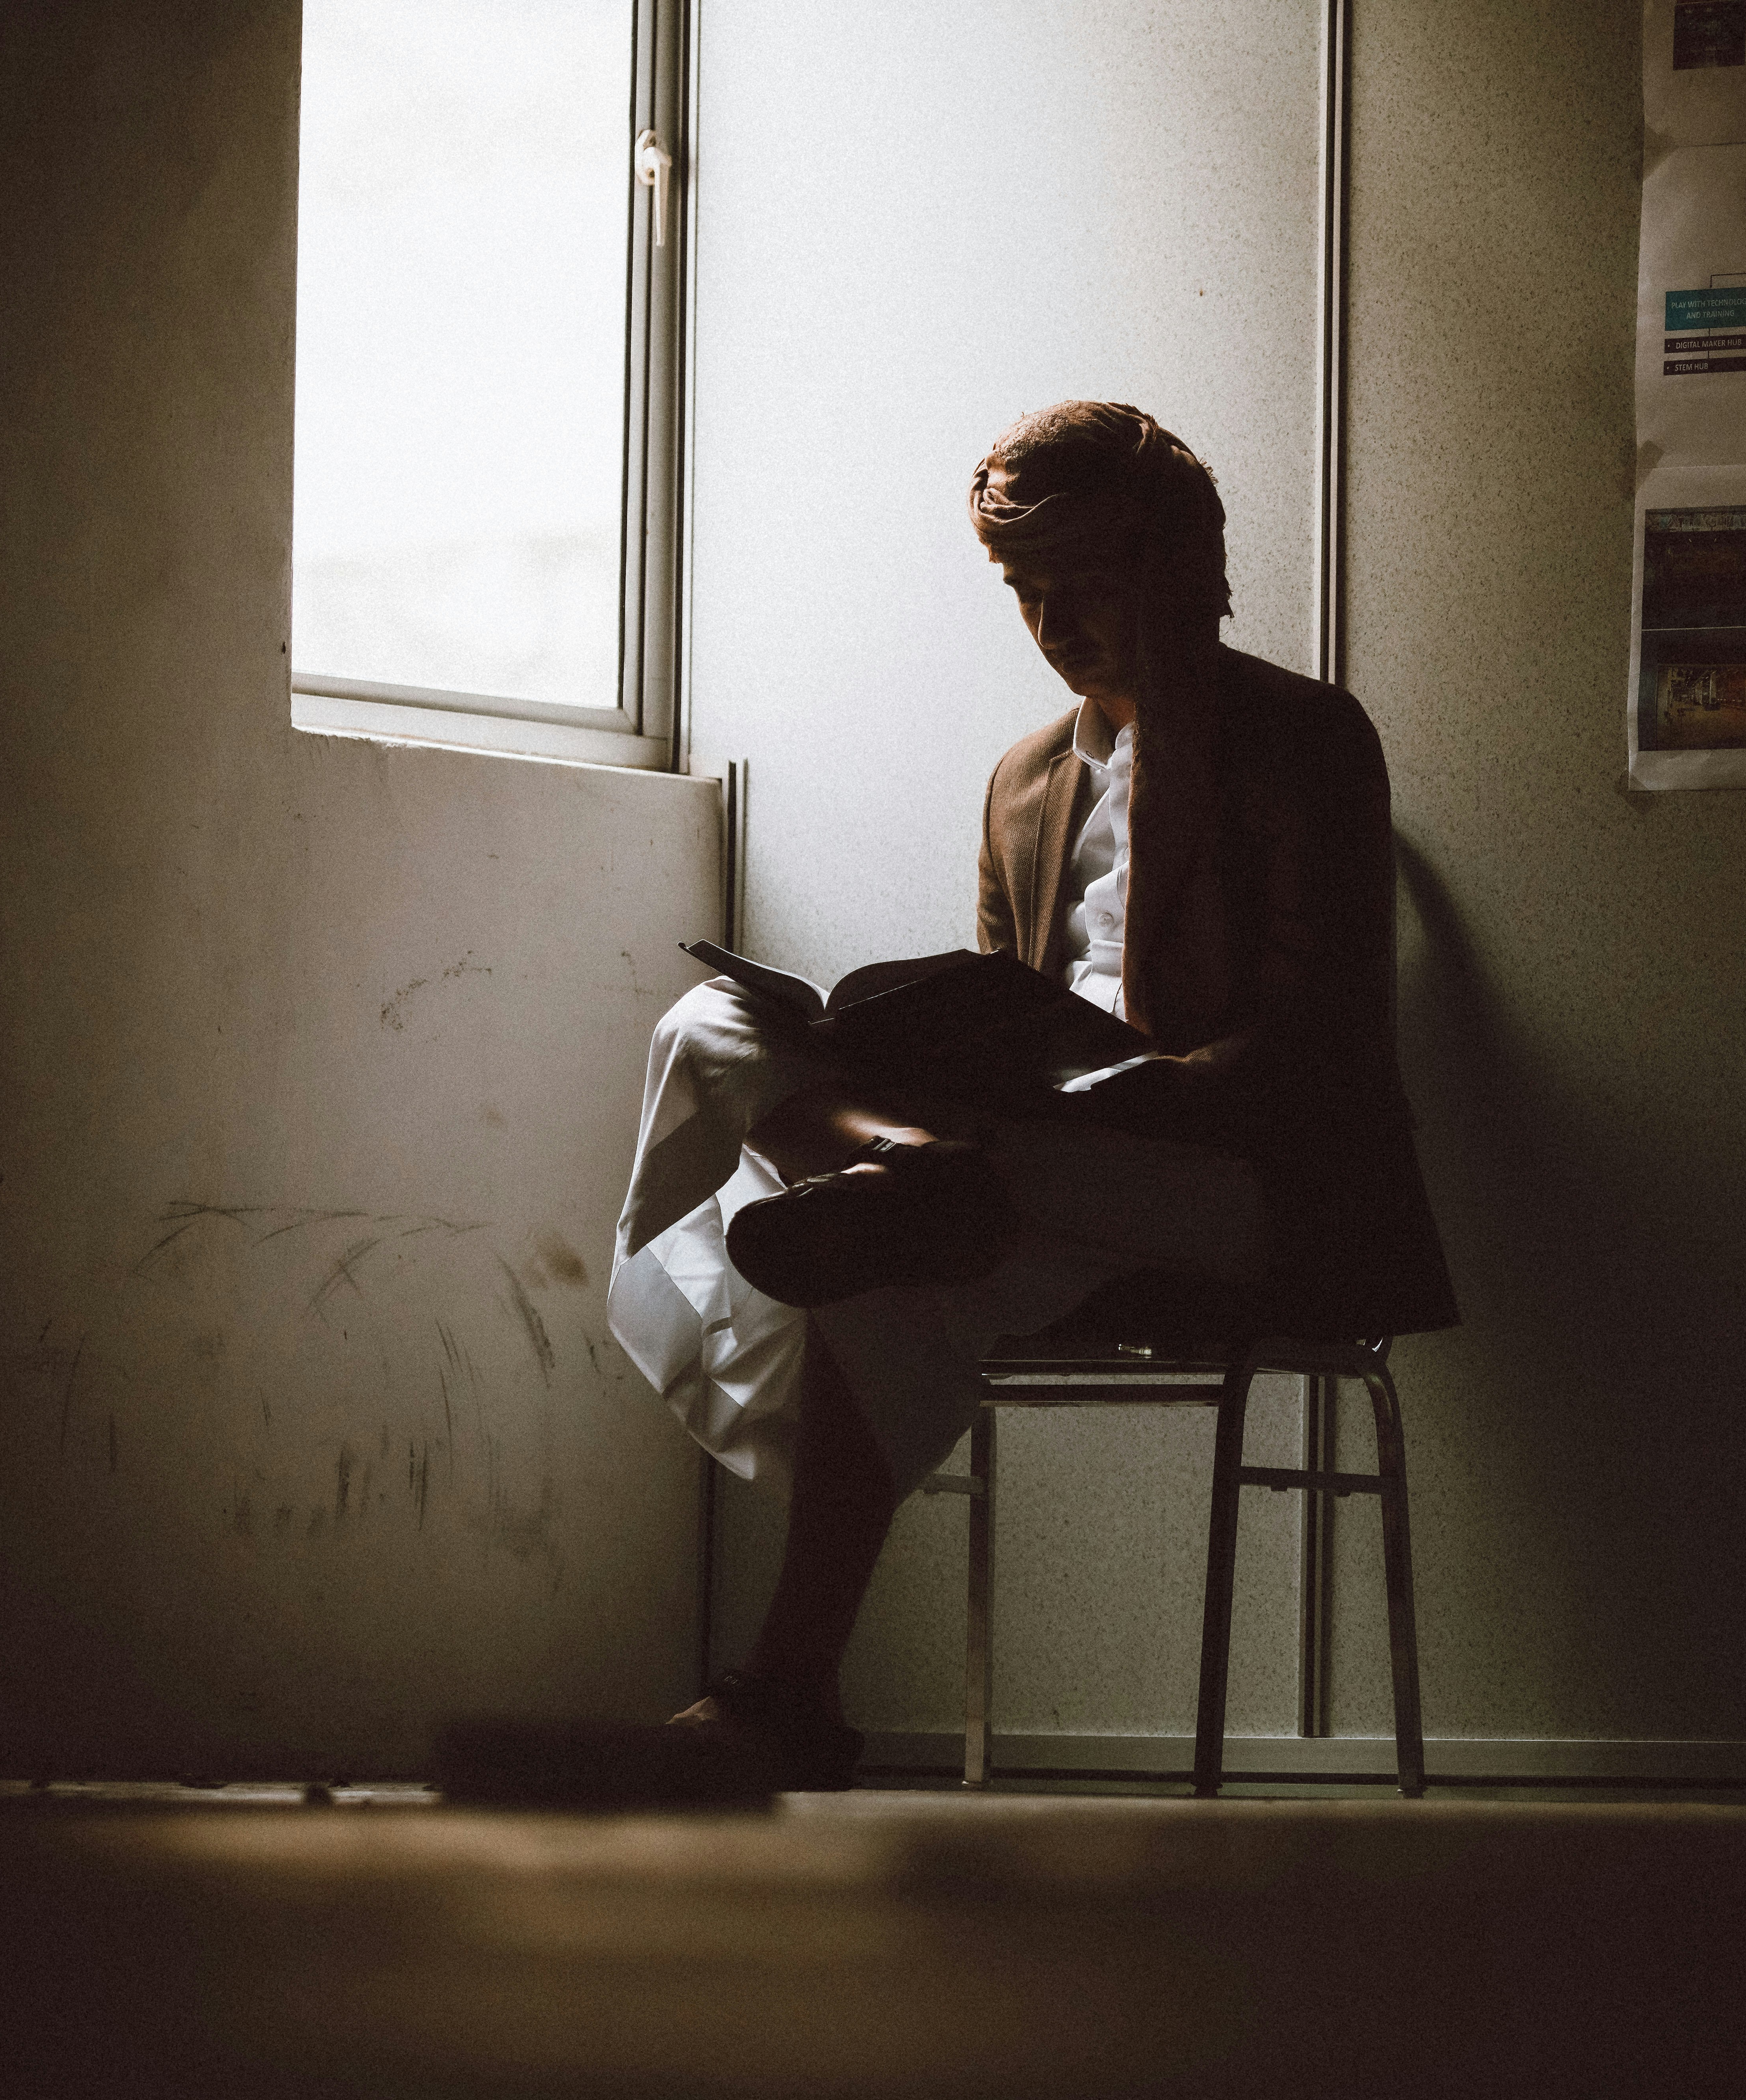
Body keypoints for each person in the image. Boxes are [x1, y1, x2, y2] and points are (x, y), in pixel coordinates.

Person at [604, 401, 1455, 1789]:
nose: (1055, 627)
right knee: (716, 1020)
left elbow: (1322, 1042)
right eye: (1026, 593)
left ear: (1177, 569)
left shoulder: (1305, 738)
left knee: (903, 1244)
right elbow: (1000, 1011)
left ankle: (786, 1684)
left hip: (1249, 1183)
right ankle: (913, 1175)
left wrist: (1134, 1091)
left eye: (1088, 589)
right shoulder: (1021, 782)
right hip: (1035, 1167)